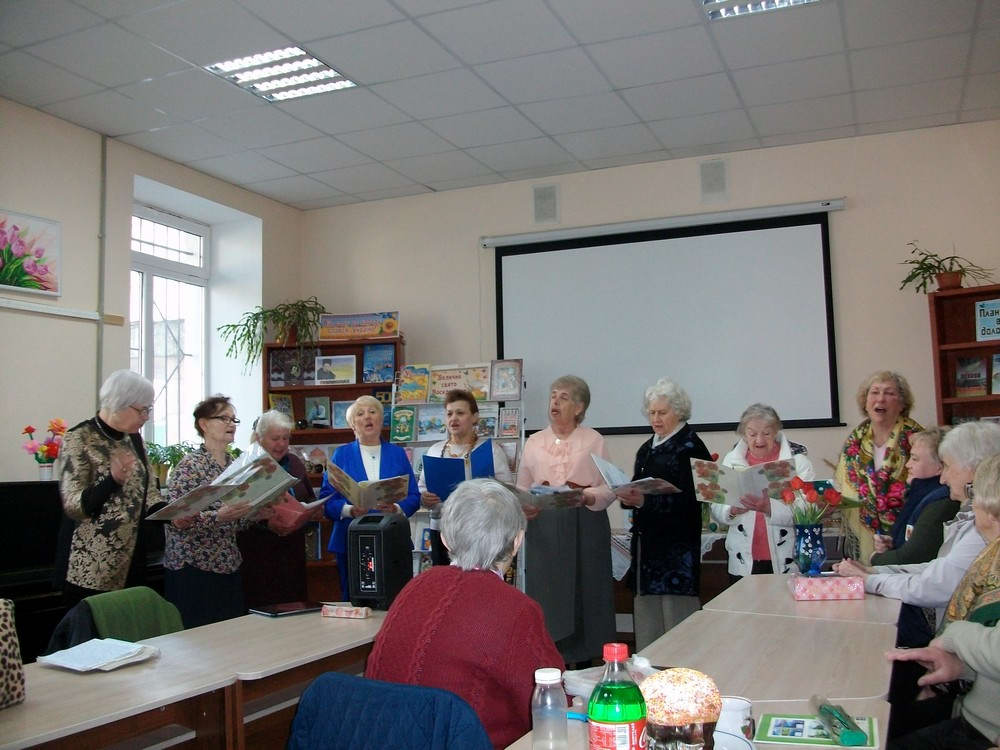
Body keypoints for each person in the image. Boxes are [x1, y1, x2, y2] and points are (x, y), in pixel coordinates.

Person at [365, 479, 564, 749]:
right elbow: (552, 706)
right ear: (517, 541)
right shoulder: (516, 609)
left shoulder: (415, 586)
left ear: (445, 540)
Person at [834, 421, 1000, 641]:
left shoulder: (981, 524)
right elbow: (937, 568)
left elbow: (933, 586)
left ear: (973, 470)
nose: (943, 478)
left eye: (947, 466)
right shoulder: (968, 515)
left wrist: (869, 579)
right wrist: (874, 572)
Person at [885, 453, 1000, 749]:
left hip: (985, 730)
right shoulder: (993, 555)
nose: (972, 505)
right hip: (972, 709)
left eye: (975, 494)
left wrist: (952, 637)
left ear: (992, 510)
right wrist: (962, 668)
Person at [516, 375, 617, 665]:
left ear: (579, 407)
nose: (555, 402)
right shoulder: (534, 442)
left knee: (587, 592)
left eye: (563, 397)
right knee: (548, 594)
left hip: (585, 523)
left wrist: (587, 496)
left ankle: (585, 663)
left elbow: (610, 487)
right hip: (545, 528)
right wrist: (526, 506)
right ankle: (551, 661)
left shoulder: (593, 440)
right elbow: (522, 487)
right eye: (553, 396)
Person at [164, 396, 287, 628]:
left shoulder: (236, 465)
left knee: (230, 636)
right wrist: (217, 516)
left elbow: (234, 521)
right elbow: (176, 519)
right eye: (224, 418)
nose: (231, 424)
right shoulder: (189, 466)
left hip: (228, 563)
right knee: (198, 639)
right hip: (194, 567)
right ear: (203, 424)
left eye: (234, 419)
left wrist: (254, 514)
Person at [619, 378, 713, 650]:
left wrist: (645, 502)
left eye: (662, 412)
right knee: (648, 630)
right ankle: (649, 674)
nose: (655, 419)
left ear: (679, 412)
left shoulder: (692, 447)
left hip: (676, 555)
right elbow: (638, 488)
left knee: (679, 632)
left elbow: (695, 501)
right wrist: (630, 497)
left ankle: (680, 675)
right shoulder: (647, 448)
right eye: (651, 413)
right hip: (647, 552)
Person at [58, 369, 155, 607]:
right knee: (94, 627)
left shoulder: (134, 439)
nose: (146, 417)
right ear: (119, 403)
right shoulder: (78, 438)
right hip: (91, 561)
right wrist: (112, 480)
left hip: (132, 557)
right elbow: (73, 505)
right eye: (142, 410)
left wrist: (174, 514)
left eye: (148, 410)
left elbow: (150, 491)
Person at [321, 395, 420, 598]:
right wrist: (349, 510)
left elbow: (414, 496)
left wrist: (397, 508)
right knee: (355, 597)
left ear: (381, 420)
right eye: (360, 414)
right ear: (352, 425)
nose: (367, 417)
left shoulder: (397, 453)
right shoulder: (341, 455)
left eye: (373, 412)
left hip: (391, 536)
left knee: (395, 596)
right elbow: (327, 501)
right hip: (351, 537)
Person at [708, 403, 815, 581]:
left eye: (766, 433)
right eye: (752, 434)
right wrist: (732, 510)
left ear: (776, 432)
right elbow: (717, 507)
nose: (759, 440)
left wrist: (770, 508)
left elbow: (808, 510)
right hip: (743, 560)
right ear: (744, 434)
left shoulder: (798, 463)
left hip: (786, 559)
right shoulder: (731, 461)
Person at [834, 371, 923, 563]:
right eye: (874, 392)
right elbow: (844, 486)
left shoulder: (916, 438)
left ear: (902, 404)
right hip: (865, 534)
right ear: (865, 402)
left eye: (889, 393)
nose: (880, 399)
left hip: (909, 532)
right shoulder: (855, 441)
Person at [417, 389, 514, 566]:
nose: (453, 418)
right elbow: (422, 488)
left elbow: (507, 491)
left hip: (480, 531)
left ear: (475, 418)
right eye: (449, 414)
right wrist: (424, 498)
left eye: (460, 413)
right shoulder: (434, 451)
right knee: (444, 580)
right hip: (442, 530)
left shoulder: (490, 451)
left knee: (477, 581)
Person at [237, 410, 319, 609]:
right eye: (275, 439)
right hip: (259, 553)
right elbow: (239, 513)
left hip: (293, 551)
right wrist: (267, 523)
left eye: (285, 438)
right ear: (259, 439)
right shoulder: (246, 467)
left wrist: (312, 511)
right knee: (263, 610)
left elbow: (308, 498)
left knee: (294, 609)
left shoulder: (296, 464)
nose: (281, 444)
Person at [870, 427, 954, 566]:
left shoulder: (941, 502)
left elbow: (912, 558)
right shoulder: (920, 495)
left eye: (915, 459)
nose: (908, 465)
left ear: (940, 466)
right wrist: (892, 545)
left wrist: (875, 558)